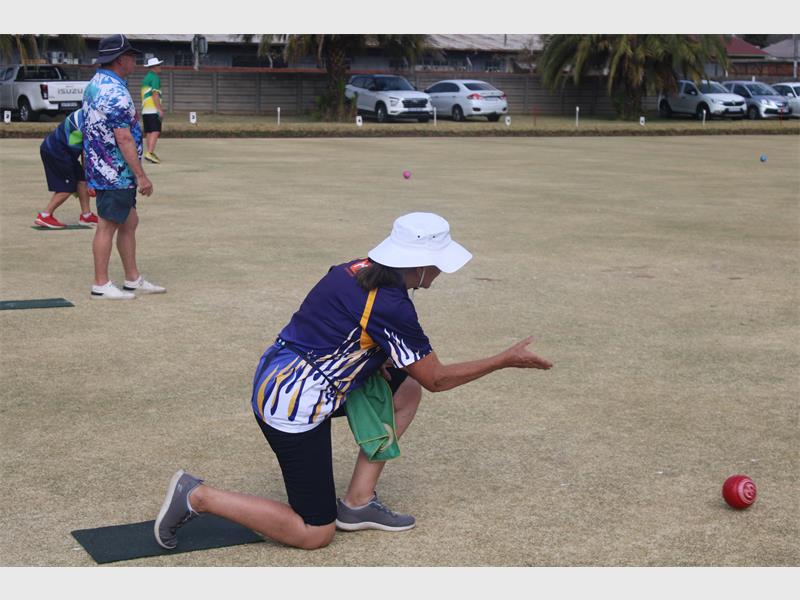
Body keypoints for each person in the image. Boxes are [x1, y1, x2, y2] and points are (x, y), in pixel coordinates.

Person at [154, 212, 553, 551]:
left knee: (405, 388)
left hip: (280, 374)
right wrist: (504, 360)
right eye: (438, 263)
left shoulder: (353, 270)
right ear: (418, 263)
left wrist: (373, 358)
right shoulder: (391, 305)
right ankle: (197, 496)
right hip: (293, 401)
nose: (441, 271)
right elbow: (437, 378)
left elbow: (328, 325)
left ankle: (359, 502)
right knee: (314, 532)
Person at [83, 34, 165, 300]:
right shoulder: (114, 91)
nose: (134, 61)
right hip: (114, 171)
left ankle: (132, 278)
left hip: (105, 167)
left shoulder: (97, 83)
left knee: (129, 221)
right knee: (107, 225)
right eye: (131, 56)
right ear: (120, 60)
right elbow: (124, 137)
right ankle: (101, 284)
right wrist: (142, 176)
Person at [34, 109, 98, 229]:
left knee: (82, 179)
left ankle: (86, 216)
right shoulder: (92, 122)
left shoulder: (87, 111)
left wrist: (87, 177)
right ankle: (45, 216)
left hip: (62, 151)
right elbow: (86, 154)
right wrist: (91, 178)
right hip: (56, 151)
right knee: (67, 187)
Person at [140, 57, 164, 164]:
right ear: (154, 67)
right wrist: (159, 109)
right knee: (155, 130)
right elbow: (155, 94)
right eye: (158, 65)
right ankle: (149, 152)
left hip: (145, 109)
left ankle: (150, 152)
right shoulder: (155, 77)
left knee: (149, 131)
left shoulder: (146, 78)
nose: (160, 67)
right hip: (153, 109)